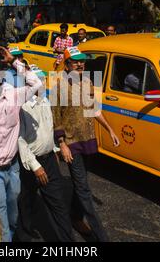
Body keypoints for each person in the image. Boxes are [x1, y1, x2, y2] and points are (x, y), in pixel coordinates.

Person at [51, 46, 120, 242]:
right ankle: (100, 236)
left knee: (81, 184)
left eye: (82, 61)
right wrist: (62, 144)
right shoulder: (60, 88)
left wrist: (110, 130)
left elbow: (94, 109)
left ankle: (75, 215)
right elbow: (56, 119)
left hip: (87, 140)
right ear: (67, 65)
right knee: (84, 189)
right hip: (71, 143)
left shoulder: (88, 81)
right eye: (75, 61)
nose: (80, 64)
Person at [0, 50, 42, 242]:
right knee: (1, 218)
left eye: (0, 75)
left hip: (13, 168)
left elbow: (37, 83)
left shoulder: (12, 94)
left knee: (13, 214)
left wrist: (14, 62)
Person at [17, 65, 75, 242]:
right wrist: (35, 167)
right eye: (38, 80)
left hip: (48, 160)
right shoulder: (22, 107)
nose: (42, 83)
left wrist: (55, 152)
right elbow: (20, 140)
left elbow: (48, 129)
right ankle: (25, 234)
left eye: (43, 80)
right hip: (31, 164)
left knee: (58, 204)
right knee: (26, 201)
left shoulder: (45, 101)